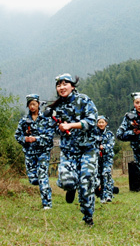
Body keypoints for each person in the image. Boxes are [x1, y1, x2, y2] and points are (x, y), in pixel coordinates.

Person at [46, 73, 98, 226]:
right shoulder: (57, 106)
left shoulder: (84, 100)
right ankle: (71, 187)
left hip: (87, 149)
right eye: (58, 85)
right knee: (67, 182)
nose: (61, 87)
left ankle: (88, 217)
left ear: (72, 86)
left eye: (65, 84)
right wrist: (55, 123)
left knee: (86, 182)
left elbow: (92, 121)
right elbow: (50, 127)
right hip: (68, 151)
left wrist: (71, 125)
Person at [14, 94, 56, 210]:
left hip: (43, 152)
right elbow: (17, 136)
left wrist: (36, 139)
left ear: (38, 104)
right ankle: (45, 186)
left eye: (34, 104)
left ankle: (47, 203)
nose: (32, 107)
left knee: (42, 176)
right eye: (30, 105)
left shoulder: (46, 119)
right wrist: (25, 139)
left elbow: (49, 136)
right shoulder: (24, 121)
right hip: (29, 153)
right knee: (33, 179)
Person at [94, 115, 116, 203]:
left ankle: (108, 195)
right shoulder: (93, 134)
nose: (101, 124)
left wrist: (104, 147)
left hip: (107, 158)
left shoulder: (109, 134)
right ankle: (101, 196)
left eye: (103, 122)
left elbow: (111, 145)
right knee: (98, 176)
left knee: (106, 174)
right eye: (99, 122)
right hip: (97, 158)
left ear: (106, 123)